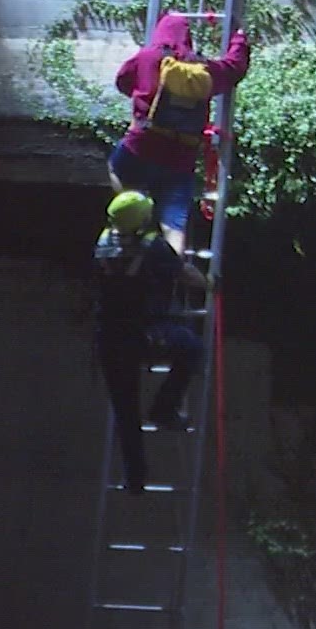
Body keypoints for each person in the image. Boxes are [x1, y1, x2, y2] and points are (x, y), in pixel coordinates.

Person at [111, 12, 251, 254]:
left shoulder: (145, 58)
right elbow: (234, 68)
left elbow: (122, 81)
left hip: (141, 145)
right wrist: (239, 38)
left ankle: (134, 209)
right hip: (180, 159)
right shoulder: (201, 68)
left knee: (116, 166)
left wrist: (142, 97)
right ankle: (173, 261)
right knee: (174, 222)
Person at [95, 190, 204, 495]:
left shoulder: (103, 244)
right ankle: (165, 408)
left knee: (125, 408)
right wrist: (209, 282)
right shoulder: (152, 247)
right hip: (146, 331)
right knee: (192, 349)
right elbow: (187, 277)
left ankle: (135, 477)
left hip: (109, 337)